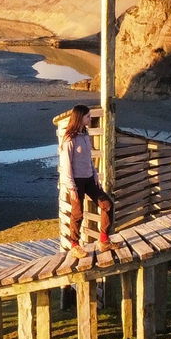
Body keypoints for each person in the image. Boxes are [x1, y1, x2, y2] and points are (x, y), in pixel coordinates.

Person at [58, 104, 118, 257]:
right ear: (80, 118)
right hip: (76, 182)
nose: (90, 119)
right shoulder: (69, 139)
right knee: (77, 214)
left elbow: (88, 158)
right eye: (87, 116)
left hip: (90, 179)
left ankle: (104, 241)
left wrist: (95, 174)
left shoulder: (85, 134)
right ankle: (75, 245)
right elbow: (66, 164)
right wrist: (71, 187)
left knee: (107, 205)